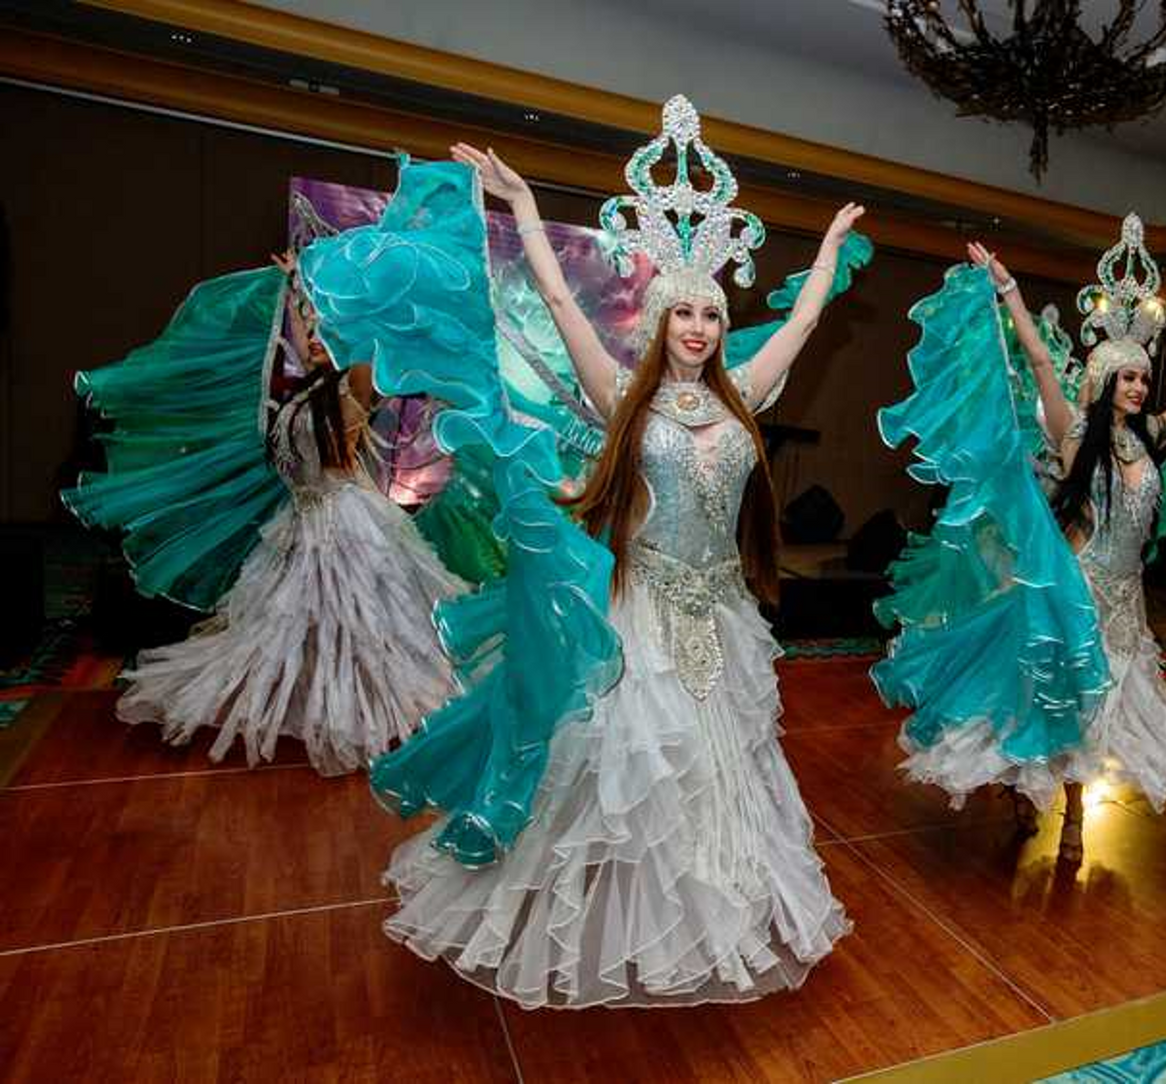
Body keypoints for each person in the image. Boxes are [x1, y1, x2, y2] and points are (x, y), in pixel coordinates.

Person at [308, 97, 867, 1008]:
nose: (698, 328)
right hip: (635, 612)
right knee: (628, 764)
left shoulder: (741, 399)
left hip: (720, 617)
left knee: (720, 768)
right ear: (657, 320)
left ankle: (709, 920)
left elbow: (802, 326)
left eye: (712, 316)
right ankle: (606, 922)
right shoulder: (619, 396)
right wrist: (524, 209)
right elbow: (563, 299)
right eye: (683, 313)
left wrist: (831, 257)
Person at [875, 215, 1166, 863]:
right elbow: (1036, 359)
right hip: (1070, 598)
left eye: (1141, 377)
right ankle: (1059, 812)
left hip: (1125, 603)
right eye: (1125, 377)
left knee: (1105, 713)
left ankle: (1059, 804)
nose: (1137, 387)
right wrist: (1008, 291)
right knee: (1058, 706)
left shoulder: (1148, 435)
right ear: (1104, 378)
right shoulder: (1073, 433)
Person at [69, 256, 466, 775]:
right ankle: (325, 706)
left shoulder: (355, 387)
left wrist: (360, 300)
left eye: (331, 330)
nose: (317, 338)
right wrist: (297, 286)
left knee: (366, 629)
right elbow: (298, 330)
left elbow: (383, 346)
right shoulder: (298, 400)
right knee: (295, 630)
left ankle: (372, 714)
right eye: (312, 329)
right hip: (303, 525)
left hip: (351, 528)